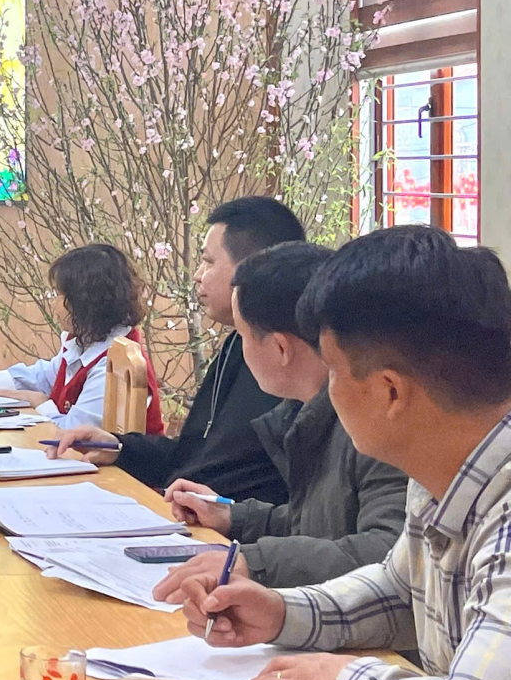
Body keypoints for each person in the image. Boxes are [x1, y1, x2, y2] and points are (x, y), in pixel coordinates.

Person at [170, 227, 511, 680]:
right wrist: (281, 612)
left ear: (389, 391)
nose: (326, 390)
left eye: (333, 370)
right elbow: (399, 590)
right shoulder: (440, 471)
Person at [152, 242, 406, 592]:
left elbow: (388, 554)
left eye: (242, 335)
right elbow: (321, 525)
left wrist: (254, 562)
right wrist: (233, 517)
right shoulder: (308, 413)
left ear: (281, 347)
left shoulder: (374, 418)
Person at [51, 196, 302, 503]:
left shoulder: (286, 363)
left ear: (253, 269)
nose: (197, 275)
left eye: (208, 262)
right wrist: (119, 447)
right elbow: (192, 453)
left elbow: (238, 482)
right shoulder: (238, 342)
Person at [0, 243, 163, 433]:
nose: (54, 304)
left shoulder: (113, 364)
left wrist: (41, 403)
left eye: (58, 295)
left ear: (85, 302)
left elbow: (76, 435)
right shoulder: (87, 341)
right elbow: (45, 376)